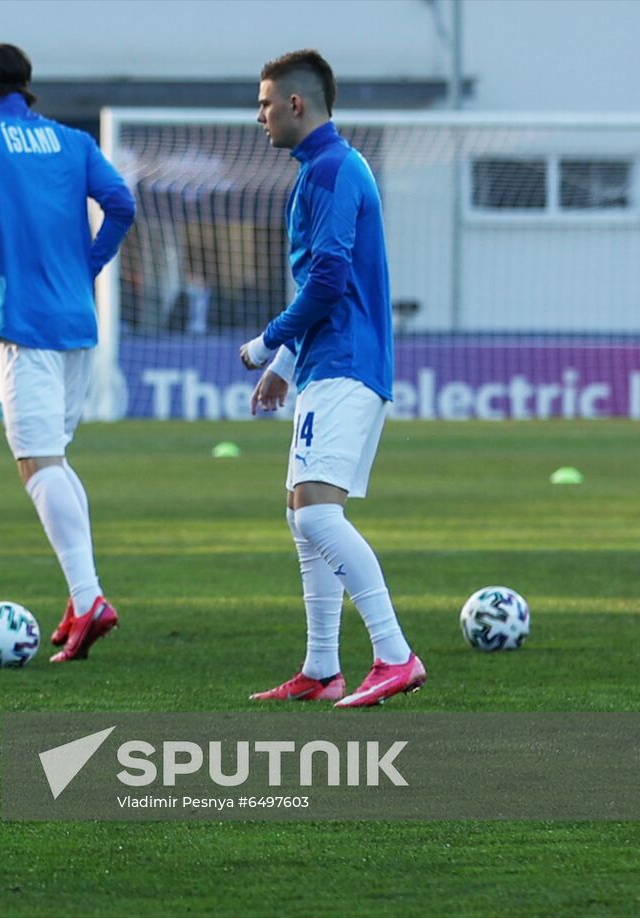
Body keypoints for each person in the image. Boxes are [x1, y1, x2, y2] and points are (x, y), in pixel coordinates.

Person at [0, 43, 136, 663]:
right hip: (78, 320)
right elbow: (122, 205)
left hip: (25, 322)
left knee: (37, 463)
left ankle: (89, 594)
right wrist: (86, 268)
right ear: (28, 87)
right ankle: (82, 600)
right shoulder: (72, 142)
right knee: (57, 462)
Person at [239, 49, 424, 708]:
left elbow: (329, 279)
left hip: (347, 362)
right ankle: (321, 669)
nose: (258, 116)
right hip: (326, 362)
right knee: (302, 515)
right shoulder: (320, 170)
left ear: (295, 103)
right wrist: (287, 367)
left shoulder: (335, 169)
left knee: (318, 511)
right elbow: (324, 282)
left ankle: (394, 655)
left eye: (264, 104)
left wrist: (268, 343)